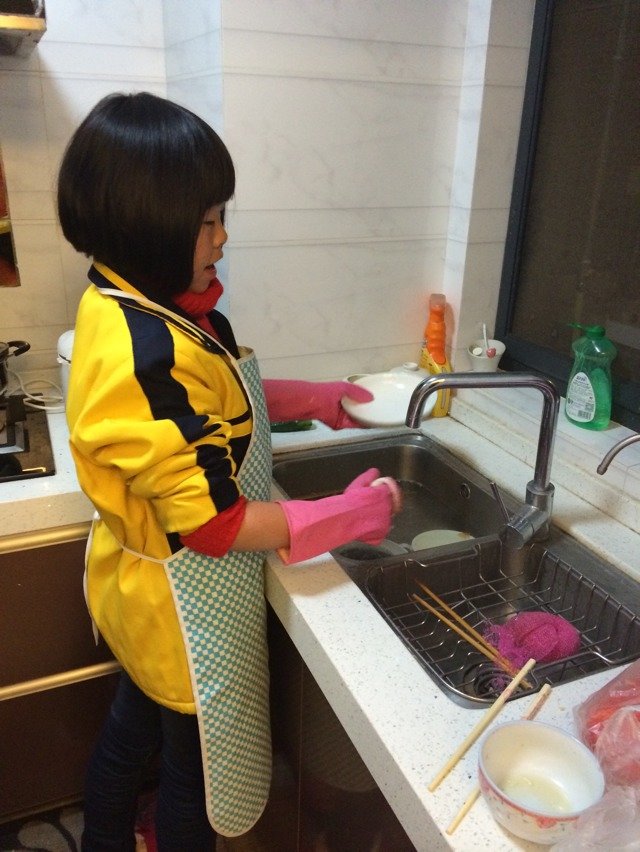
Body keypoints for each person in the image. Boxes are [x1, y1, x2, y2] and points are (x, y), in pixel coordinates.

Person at [57, 91, 401, 851]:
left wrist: (313, 398)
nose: (222, 236)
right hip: (179, 611)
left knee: (130, 732)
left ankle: (105, 839)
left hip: (138, 590)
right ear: (149, 223)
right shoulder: (146, 352)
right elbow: (214, 525)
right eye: (207, 219)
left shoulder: (138, 299)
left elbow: (210, 403)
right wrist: (346, 516)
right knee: (195, 777)